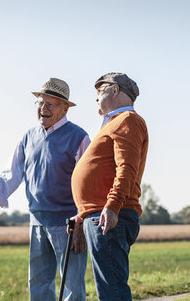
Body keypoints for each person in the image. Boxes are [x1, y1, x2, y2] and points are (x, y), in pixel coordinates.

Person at [0, 78, 90, 301]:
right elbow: (11, 173)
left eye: (51, 104)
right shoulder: (28, 137)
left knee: (72, 288)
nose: (43, 108)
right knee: (38, 286)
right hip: (37, 221)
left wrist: (82, 219)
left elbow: (89, 183)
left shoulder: (79, 137)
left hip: (68, 224)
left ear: (65, 108)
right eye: (41, 102)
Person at [71, 72, 149, 301]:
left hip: (109, 216)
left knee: (112, 291)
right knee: (108, 289)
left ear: (114, 90)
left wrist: (113, 206)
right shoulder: (114, 122)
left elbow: (126, 168)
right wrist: (83, 213)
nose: (96, 98)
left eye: (99, 90)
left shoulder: (127, 120)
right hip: (98, 215)